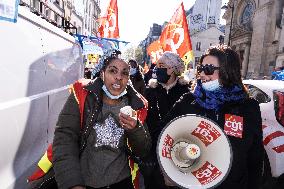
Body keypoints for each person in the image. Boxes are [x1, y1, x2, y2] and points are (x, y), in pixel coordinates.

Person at [161, 45, 264, 189]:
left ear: (228, 71)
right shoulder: (187, 102)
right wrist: (168, 172)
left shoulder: (247, 107)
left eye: (208, 69)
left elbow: (255, 157)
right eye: (200, 69)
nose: (202, 74)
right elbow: (164, 136)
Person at [52, 50, 151, 189]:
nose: (118, 77)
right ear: (102, 73)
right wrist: (73, 183)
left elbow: (143, 150)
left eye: (124, 73)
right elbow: (64, 139)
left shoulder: (137, 105)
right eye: (113, 71)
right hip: (84, 182)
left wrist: (135, 129)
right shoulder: (82, 95)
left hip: (122, 182)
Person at [142, 52, 191, 189]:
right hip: (154, 155)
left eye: (162, 65)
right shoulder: (150, 91)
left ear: (174, 69)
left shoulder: (186, 93)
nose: (157, 69)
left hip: (179, 155)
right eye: (157, 65)